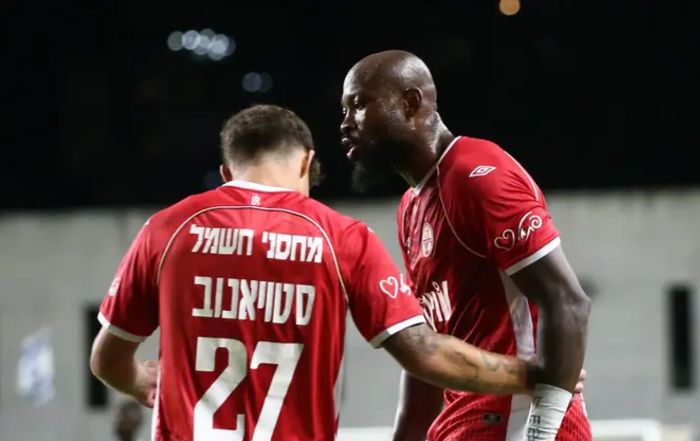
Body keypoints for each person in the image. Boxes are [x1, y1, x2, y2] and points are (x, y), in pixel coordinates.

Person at [90, 104, 552, 441]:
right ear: (307, 161)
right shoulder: (341, 237)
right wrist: (533, 374)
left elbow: (106, 359)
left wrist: (138, 380)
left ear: (227, 171)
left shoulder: (168, 229)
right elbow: (423, 354)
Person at [340, 50, 592, 441]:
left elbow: (568, 301)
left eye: (359, 105)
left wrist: (541, 433)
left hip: (515, 420)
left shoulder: (478, 174)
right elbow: (428, 352)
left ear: (410, 103)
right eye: (344, 110)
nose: (346, 123)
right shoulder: (410, 207)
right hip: (464, 422)